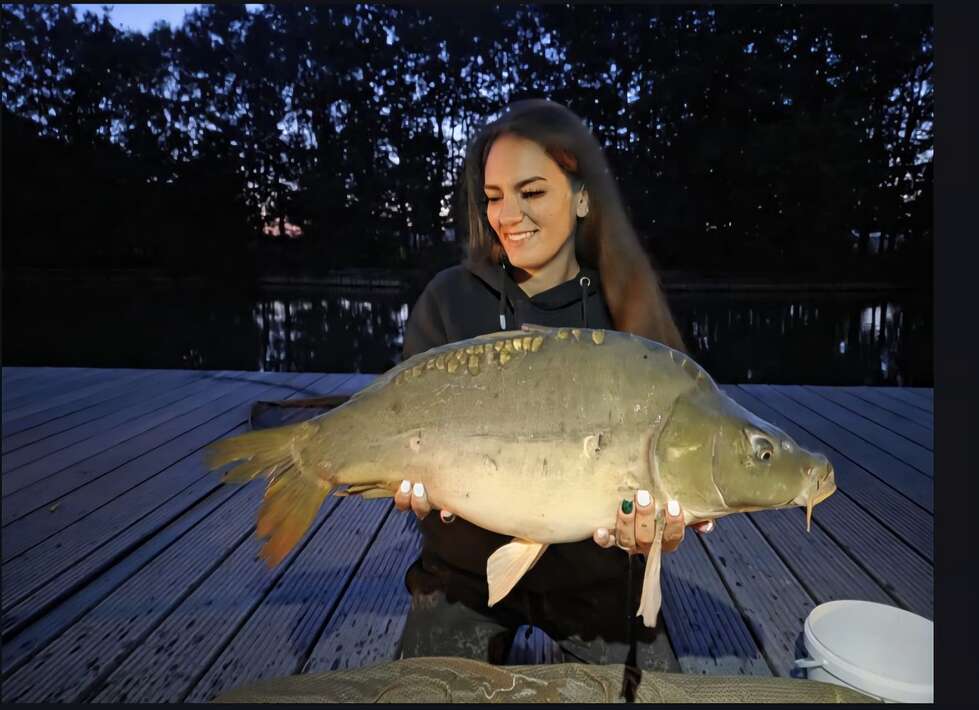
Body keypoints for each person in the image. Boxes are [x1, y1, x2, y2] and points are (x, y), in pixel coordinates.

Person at [393, 99, 713, 671]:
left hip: (596, 578)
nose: (507, 215)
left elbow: (673, 484)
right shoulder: (448, 301)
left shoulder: (629, 320)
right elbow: (403, 432)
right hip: (465, 569)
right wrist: (412, 491)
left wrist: (659, 533)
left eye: (532, 192)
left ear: (583, 196)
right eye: (493, 197)